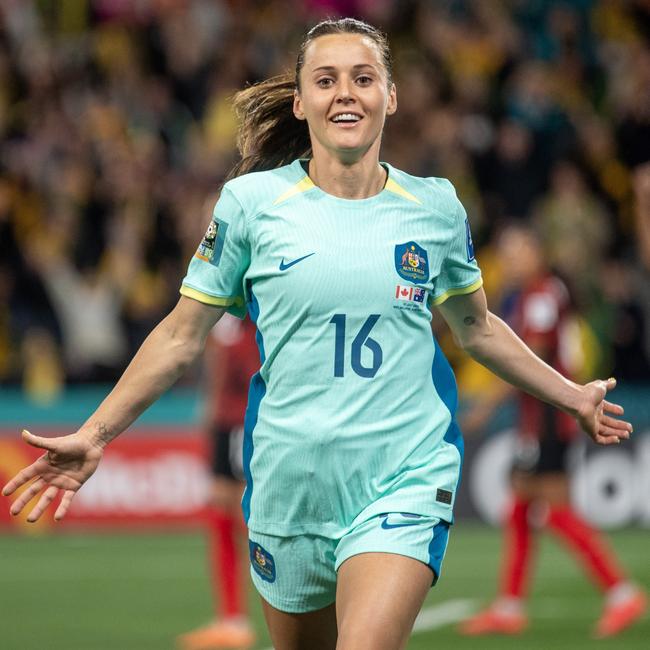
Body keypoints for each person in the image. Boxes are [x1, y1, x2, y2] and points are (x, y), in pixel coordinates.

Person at [1, 19, 633, 650]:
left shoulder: (437, 208)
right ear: (301, 101)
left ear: (392, 94)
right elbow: (179, 336)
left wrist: (571, 395)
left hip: (404, 474)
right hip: (289, 486)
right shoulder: (250, 205)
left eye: (363, 78)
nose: (346, 94)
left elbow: (479, 329)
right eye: (326, 80)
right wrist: (95, 433)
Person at [457, 224, 647, 639]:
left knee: (554, 508)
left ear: (537, 252)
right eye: (506, 253)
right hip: (539, 419)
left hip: (550, 419)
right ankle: (509, 606)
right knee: (522, 508)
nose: (509, 260)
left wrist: (484, 409)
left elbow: (528, 364)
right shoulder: (533, 295)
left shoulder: (542, 296)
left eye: (516, 251)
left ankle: (622, 593)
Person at [177, 315, 260, 650]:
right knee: (223, 510)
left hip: (243, 421)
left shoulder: (252, 318)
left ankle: (247, 614)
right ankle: (232, 618)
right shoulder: (225, 320)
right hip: (226, 423)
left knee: (249, 516)